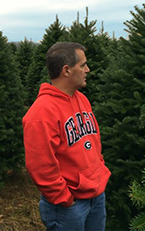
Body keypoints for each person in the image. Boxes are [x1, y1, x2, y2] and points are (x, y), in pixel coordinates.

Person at [23, 42, 111, 231]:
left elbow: (93, 142)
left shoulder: (81, 99)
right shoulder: (41, 113)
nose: (87, 69)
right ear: (66, 70)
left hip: (96, 196)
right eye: (82, 65)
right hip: (69, 207)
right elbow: (40, 165)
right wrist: (64, 198)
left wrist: (99, 169)